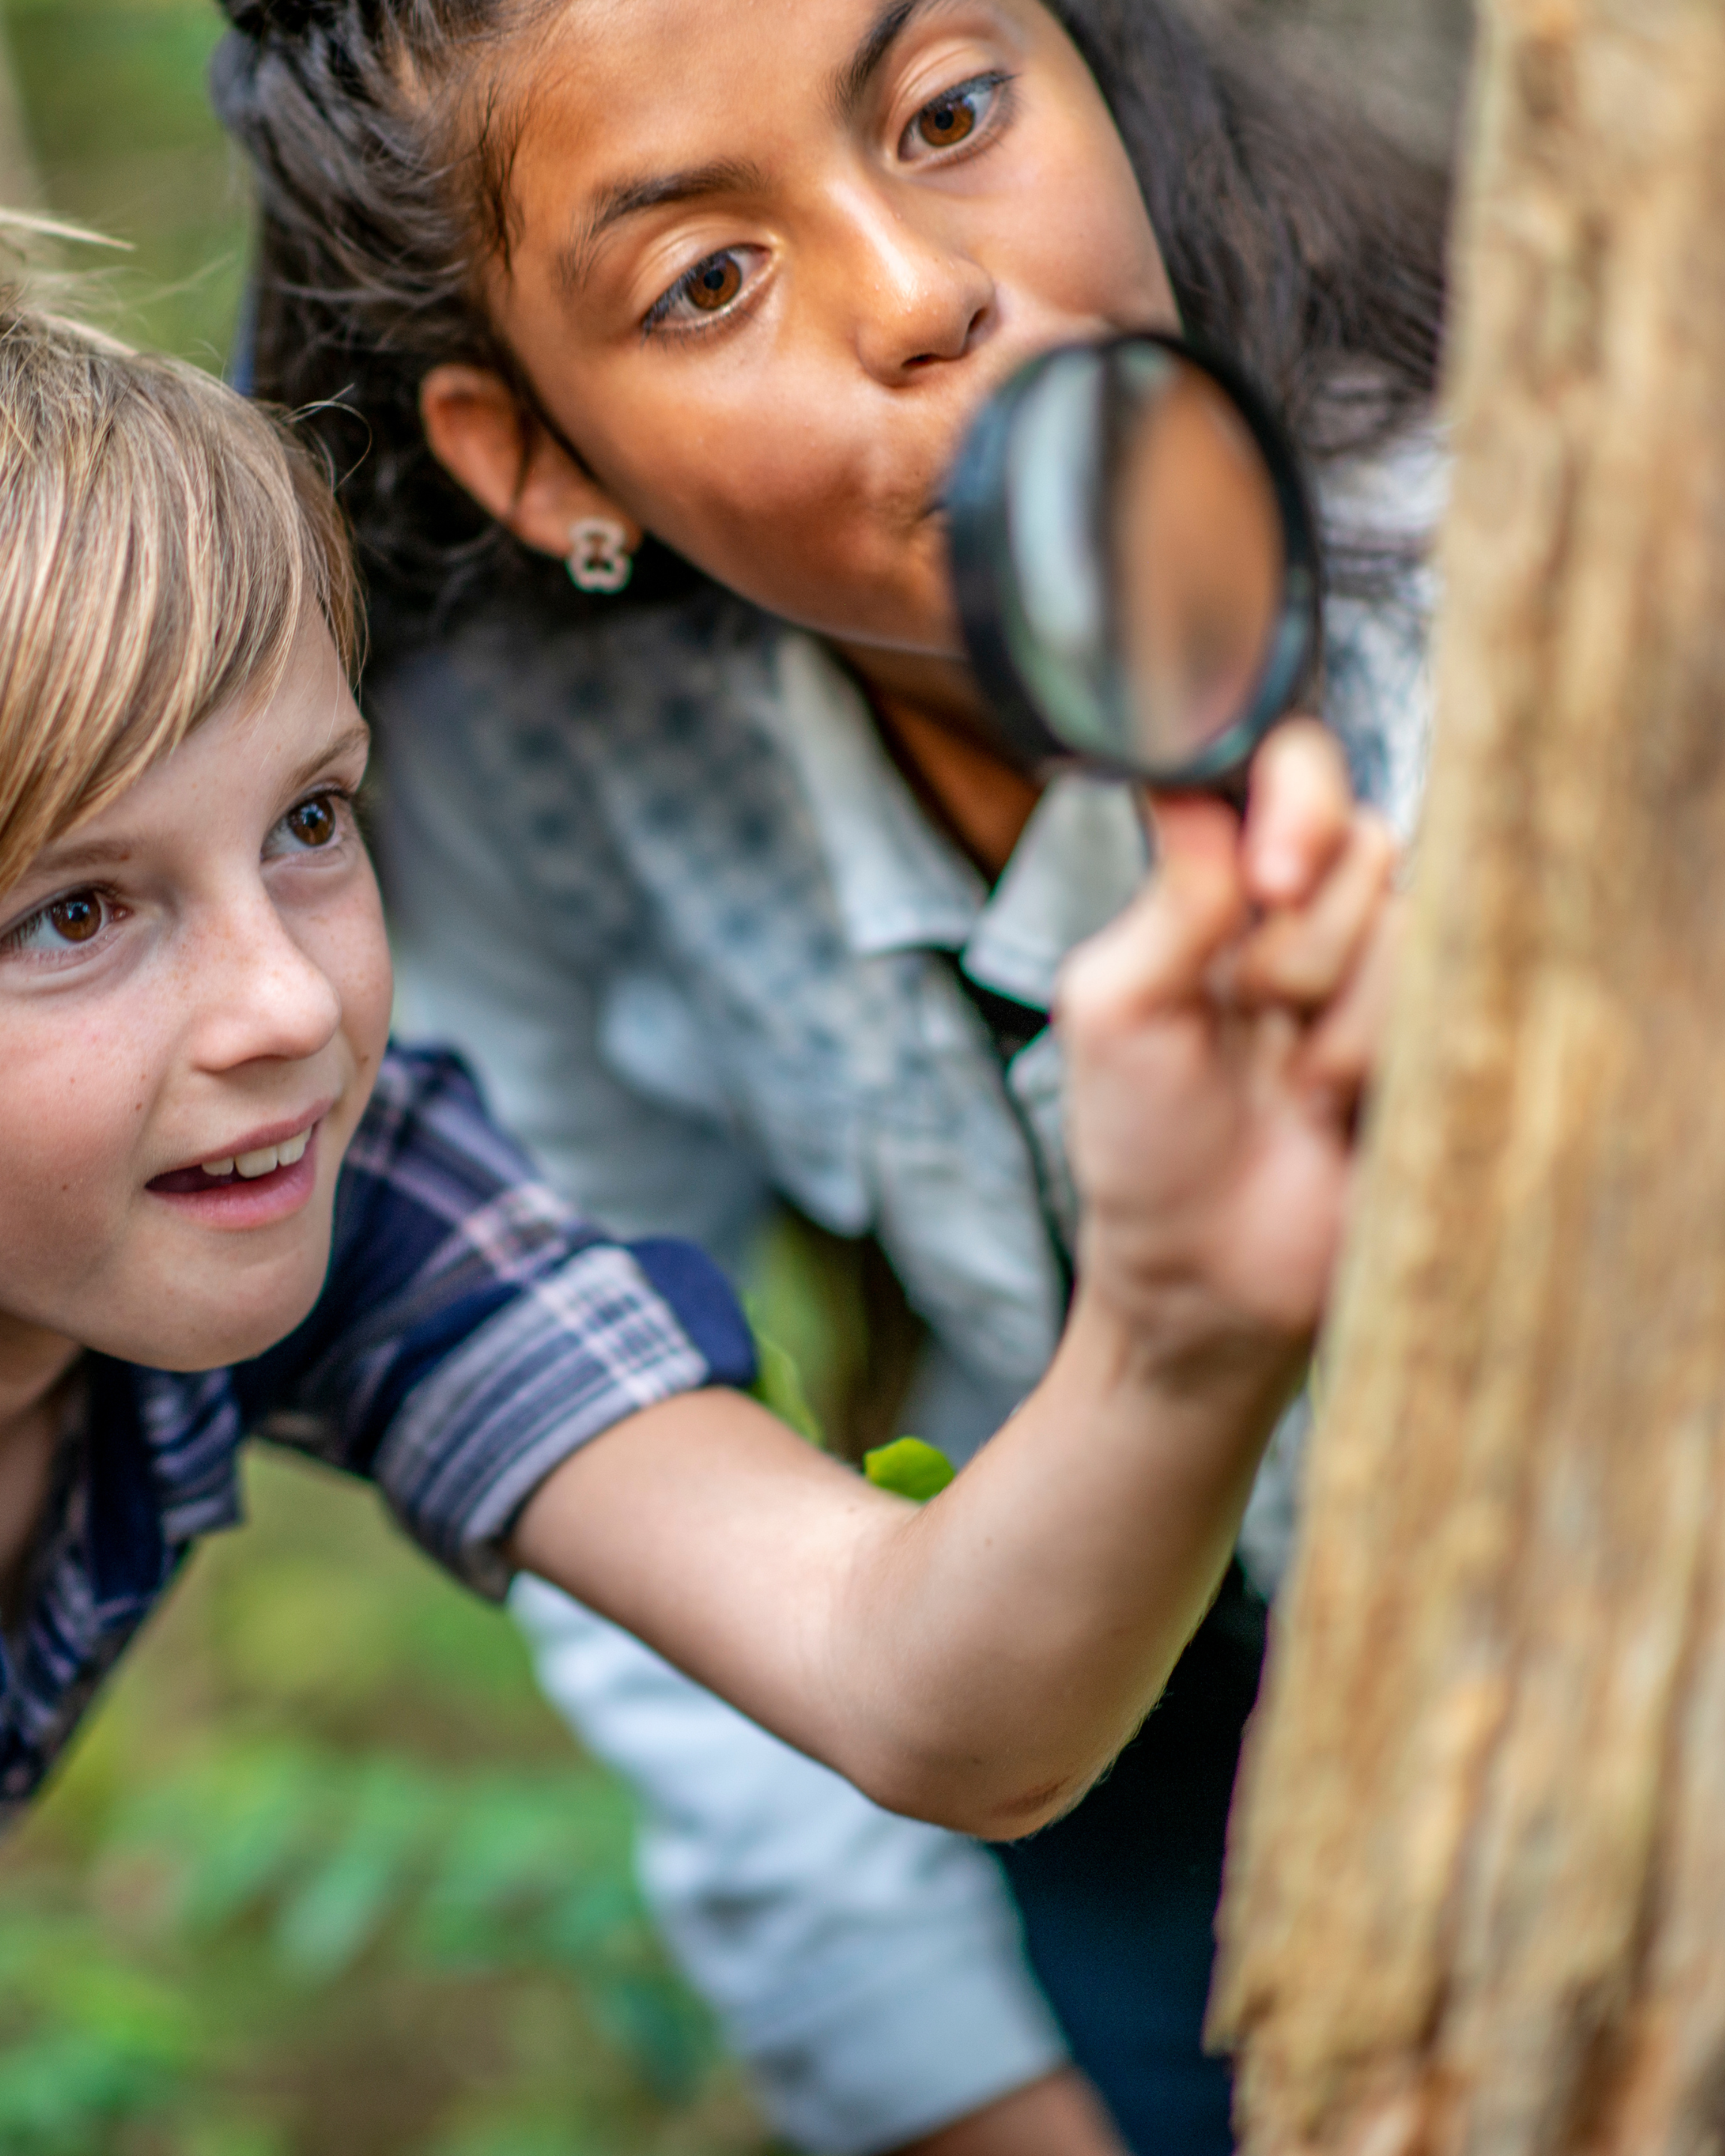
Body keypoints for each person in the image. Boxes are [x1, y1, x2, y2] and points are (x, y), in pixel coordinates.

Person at [210, 0, 1437, 2144]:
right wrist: (953, 2085)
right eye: (705, 279)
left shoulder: (1561, 567)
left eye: (950, 113)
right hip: (1103, 1681)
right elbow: (622, 1461)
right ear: (539, 459)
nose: (922, 290)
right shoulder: (513, 779)